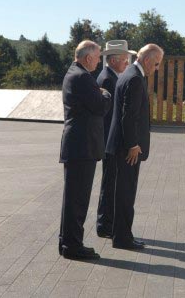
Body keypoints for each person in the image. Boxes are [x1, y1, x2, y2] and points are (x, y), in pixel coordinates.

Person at [106, 43, 164, 249]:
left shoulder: (129, 73)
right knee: (125, 193)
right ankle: (122, 238)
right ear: (147, 60)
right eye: (156, 64)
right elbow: (128, 117)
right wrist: (132, 145)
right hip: (128, 149)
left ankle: (121, 234)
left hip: (123, 146)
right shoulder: (134, 78)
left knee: (123, 192)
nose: (156, 69)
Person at [59, 40, 112, 260]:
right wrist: (106, 94)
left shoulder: (76, 73)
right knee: (77, 200)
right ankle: (73, 246)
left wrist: (98, 92)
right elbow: (100, 106)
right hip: (82, 147)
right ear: (88, 57)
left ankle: (68, 242)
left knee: (73, 198)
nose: (99, 61)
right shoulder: (82, 77)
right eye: (98, 57)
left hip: (79, 146)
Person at [96, 40, 137, 239]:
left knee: (110, 182)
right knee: (109, 183)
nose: (127, 63)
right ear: (113, 60)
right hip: (109, 141)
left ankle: (107, 222)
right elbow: (109, 116)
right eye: (124, 59)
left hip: (108, 140)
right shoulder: (108, 79)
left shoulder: (111, 76)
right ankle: (105, 224)